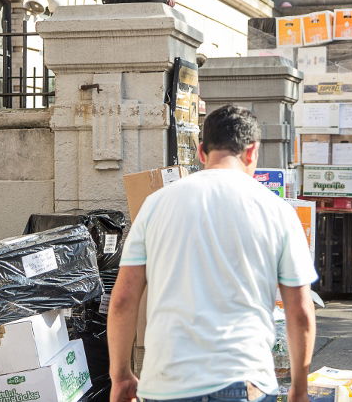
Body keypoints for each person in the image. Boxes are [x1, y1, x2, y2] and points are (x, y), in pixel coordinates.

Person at [108, 105, 317, 402]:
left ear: (202, 152)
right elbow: (300, 311)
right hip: (245, 381)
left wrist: (120, 376)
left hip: (166, 383)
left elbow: (123, 299)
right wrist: (299, 387)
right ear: (252, 152)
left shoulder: (155, 204)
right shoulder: (277, 211)